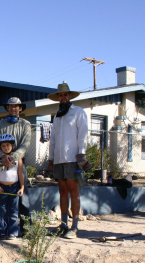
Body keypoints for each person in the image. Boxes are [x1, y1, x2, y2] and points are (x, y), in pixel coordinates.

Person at [47, 82, 92, 239]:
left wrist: (81, 154)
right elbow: (53, 139)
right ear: (58, 97)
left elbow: (83, 134)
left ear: (70, 95)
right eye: (60, 95)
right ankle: (64, 224)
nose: (63, 97)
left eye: (65, 94)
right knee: (63, 191)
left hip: (73, 158)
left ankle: (75, 226)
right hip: (59, 159)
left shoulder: (78, 112)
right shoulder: (57, 116)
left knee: (74, 191)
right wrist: (51, 158)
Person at [0, 97, 31, 236]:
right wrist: (2, 157)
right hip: (0, 162)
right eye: (11, 106)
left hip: (18, 163)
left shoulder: (25, 124)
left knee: (23, 198)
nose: (13, 108)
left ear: (20, 108)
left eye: (16, 106)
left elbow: (25, 144)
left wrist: (13, 157)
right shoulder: (0, 124)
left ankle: (26, 227)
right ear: (7, 108)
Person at [0, 134, 24, 240]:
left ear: (12, 145)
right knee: (3, 210)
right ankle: (2, 231)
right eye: (3, 146)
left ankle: (12, 232)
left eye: (8, 145)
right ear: (0, 148)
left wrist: (22, 187)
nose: (6, 148)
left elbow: (20, 174)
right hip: (2, 188)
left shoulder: (17, 159)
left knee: (13, 210)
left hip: (14, 187)